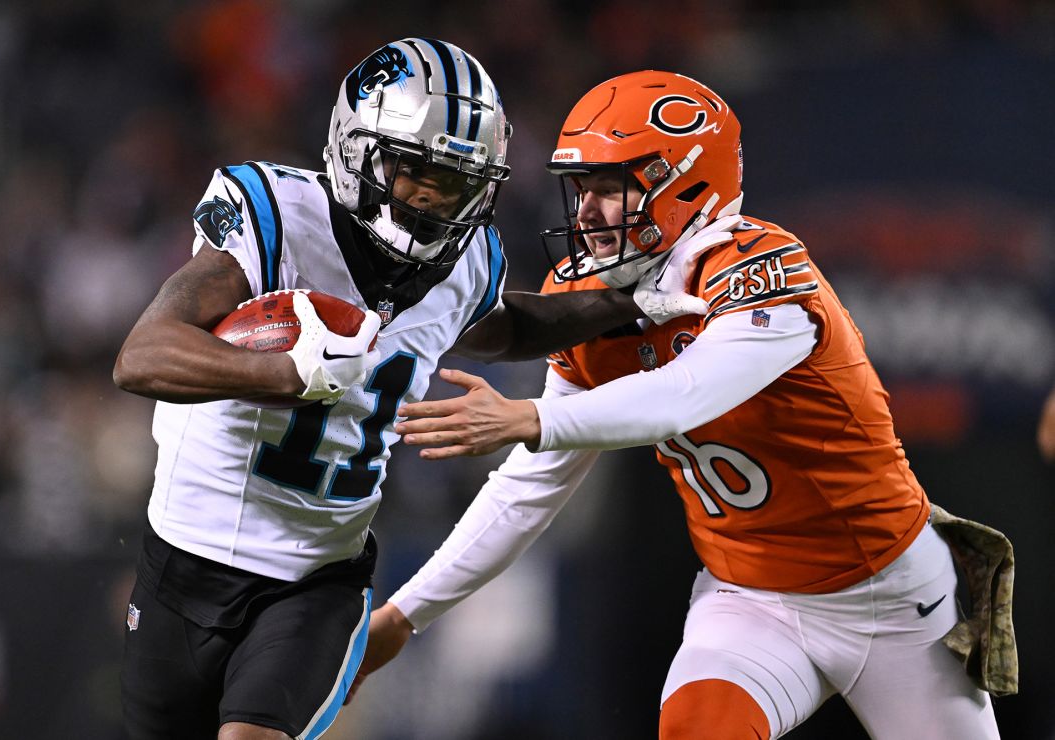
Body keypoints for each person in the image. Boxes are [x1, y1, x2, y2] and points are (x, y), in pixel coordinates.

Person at [354, 71, 1011, 738]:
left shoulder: (761, 265)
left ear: (688, 181)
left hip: (893, 601)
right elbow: (530, 488)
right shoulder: (585, 298)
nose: (587, 212)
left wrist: (532, 418)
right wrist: (405, 614)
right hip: (749, 602)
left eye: (612, 187)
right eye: (582, 187)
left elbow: (688, 391)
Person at [111, 42, 695, 740]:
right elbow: (141, 355)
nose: (430, 197)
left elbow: (506, 328)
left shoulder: (464, 265)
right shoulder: (277, 218)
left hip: (315, 582)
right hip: (180, 567)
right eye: (414, 169)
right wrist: (284, 373)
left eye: (453, 181)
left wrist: (635, 299)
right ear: (356, 151)